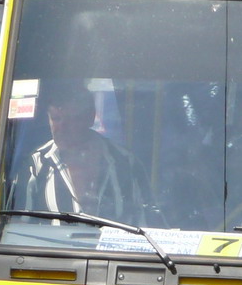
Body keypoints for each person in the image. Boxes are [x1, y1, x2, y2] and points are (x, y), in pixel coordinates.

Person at [21, 82, 151, 224]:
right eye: (56, 119)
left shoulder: (126, 162)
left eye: (71, 119)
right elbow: (18, 228)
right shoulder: (36, 166)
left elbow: (147, 221)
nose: (61, 127)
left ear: (90, 117)